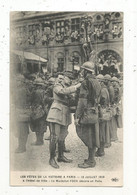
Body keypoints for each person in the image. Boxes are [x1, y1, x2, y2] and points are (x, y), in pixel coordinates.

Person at [46, 72, 81, 169]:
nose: (71, 80)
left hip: (65, 113)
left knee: (62, 136)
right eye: (69, 78)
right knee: (54, 137)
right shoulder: (57, 85)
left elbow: (71, 101)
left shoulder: (67, 87)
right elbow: (62, 92)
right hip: (56, 113)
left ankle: (60, 156)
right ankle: (52, 158)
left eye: (72, 79)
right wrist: (76, 87)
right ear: (65, 78)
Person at [75, 61, 101, 168]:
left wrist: (77, 116)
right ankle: (91, 159)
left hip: (87, 113)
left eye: (83, 70)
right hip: (94, 112)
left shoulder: (85, 82)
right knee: (94, 135)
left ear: (86, 71)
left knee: (88, 136)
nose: (81, 72)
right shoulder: (97, 81)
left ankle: (91, 161)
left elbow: (82, 101)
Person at [12, 73, 32, 153]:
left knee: (21, 130)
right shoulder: (25, 88)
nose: (16, 82)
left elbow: (16, 100)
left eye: (17, 81)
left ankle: (21, 147)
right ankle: (22, 146)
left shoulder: (20, 90)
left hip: (20, 111)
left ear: (21, 81)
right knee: (23, 130)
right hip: (25, 112)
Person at [96, 74, 111, 156]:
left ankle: (101, 151)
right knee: (102, 131)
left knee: (101, 132)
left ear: (101, 81)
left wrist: (98, 105)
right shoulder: (104, 88)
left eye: (97, 80)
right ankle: (100, 150)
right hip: (104, 111)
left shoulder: (102, 89)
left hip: (102, 112)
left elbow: (103, 102)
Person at [30, 81, 47, 145]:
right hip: (43, 110)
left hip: (36, 109)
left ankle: (38, 141)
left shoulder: (34, 92)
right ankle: (41, 140)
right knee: (42, 126)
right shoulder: (44, 91)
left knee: (36, 125)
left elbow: (31, 100)